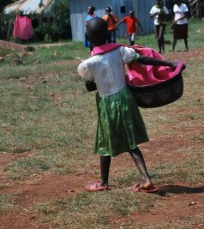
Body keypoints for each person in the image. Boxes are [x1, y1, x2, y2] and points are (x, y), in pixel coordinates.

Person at [77, 17, 183, 192]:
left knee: (105, 140)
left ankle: (103, 182)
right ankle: (146, 178)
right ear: (108, 34)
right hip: (125, 98)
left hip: (107, 103)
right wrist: (169, 64)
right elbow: (144, 60)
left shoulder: (87, 65)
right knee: (131, 142)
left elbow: (90, 86)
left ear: (88, 36)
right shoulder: (120, 52)